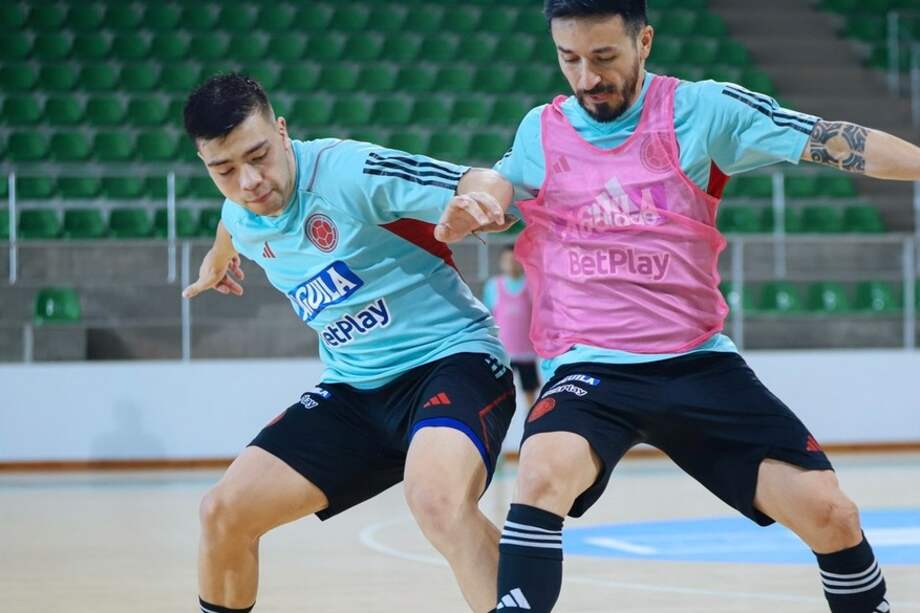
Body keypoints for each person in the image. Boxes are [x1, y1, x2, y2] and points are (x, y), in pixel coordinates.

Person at [455, 1, 920, 611]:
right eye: (569, 59)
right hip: (591, 368)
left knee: (832, 515)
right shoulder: (542, 130)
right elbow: (499, 178)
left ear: (643, 41)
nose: (587, 77)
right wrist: (477, 196)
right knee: (540, 477)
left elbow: (831, 142)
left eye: (604, 57)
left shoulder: (701, 110)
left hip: (697, 362)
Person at [181, 73, 519, 613]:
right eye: (224, 170)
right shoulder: (241, 214)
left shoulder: (347, 172)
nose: (249, 182)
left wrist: (480, 204)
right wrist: (218, 256)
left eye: (259, 156)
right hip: (354, 390)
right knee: (223, 513)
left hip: (452, 360)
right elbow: (232, 223)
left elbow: (476, 180)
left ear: (283, 131)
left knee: (437, 502)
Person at [482, 245, 540, 408]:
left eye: (515, 259)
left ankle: (531, 423)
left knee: (530, 391)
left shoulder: (531, 285)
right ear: (501, 262)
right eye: (507, 260)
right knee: (498, 392)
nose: (511, 263)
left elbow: (540, 315)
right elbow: (487, 316)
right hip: (503, 352)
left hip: (527, 353)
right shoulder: (493, 285)